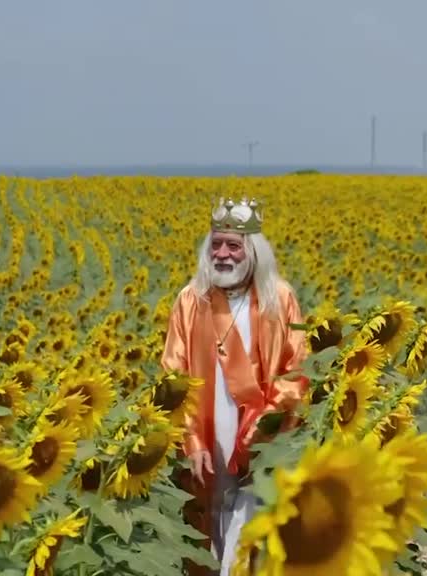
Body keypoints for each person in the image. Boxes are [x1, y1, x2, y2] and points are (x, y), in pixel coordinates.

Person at [161, 197, 309, 576]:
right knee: (205, 534)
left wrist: (261, 432)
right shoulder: (190, 301)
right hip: (206, 437)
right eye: (216, 244)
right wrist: (191, 442)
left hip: (261, 439)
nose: (223, 254)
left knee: (250, 538)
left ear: (253, 252)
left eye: (233, 245)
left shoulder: (279, 299)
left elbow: (296, 372)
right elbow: (174, 376)